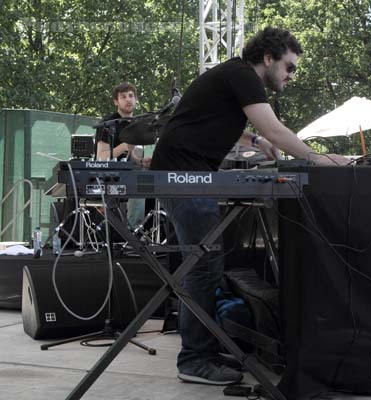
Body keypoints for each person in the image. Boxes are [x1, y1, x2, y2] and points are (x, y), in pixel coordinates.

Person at [150, 27, 346, 386]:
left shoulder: (232, 76)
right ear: (268, 58)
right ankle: (195, 359)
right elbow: (276, 130)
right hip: (183, 174)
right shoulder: (244, 75)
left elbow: (221, 118)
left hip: (188, 172)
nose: (291, 75)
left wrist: (252, 139)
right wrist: (319, 159)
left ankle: (203, 347)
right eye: (289, 66)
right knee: (203, 266)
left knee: (207, 263)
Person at [95, 82, 150, 228]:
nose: (128, 100)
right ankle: (134, 231)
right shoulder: (108, 124)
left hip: (128, 172)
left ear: (136, 99)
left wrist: (141, 162)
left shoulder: (136, 123)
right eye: (123, 97)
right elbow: (101, 157)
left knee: (156, 180)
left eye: (131, 96)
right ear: (116, 101)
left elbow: (128, 158)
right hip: (109, 176)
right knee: (139, 184)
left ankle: (155, 230)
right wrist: (123, 146)